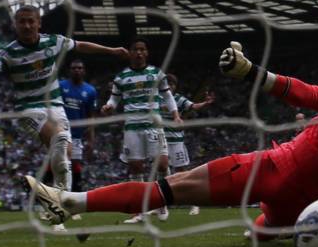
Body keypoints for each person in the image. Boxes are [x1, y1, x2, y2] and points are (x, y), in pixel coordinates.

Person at [22, 41, 318, 245]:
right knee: (261, 230)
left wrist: (250, 72)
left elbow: (303, 92)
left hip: (271, 170)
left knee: (172, 187)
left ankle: (71, 200)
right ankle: (269, 231)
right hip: (303, 208)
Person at [0, 5, 127, 231]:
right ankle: (62, 207)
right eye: (22, 21)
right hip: (29, 109)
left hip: (55, 105)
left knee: (64, 157)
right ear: (15, 25)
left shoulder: (53, 42)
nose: (26, 25)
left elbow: (81, 46)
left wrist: (111, 50)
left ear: (38, 23)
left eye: (30, 21)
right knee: (59, 141)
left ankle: (58, 206)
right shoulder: (7, 52)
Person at [102, 37, 182, 223]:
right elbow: (114, 100)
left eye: (142, 49)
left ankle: (162, 204)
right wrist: (108, 107)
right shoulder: (121, 77)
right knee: (136, 168)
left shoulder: (156, 73)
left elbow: (168, 96)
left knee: (161, 164)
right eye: (135, 49)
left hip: (154, 124)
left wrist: (176, 115)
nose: (139, 52)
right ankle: (139, 211)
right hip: (132, 127)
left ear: (146, 53)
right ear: (130, 53)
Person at [161, 74, 214, 216]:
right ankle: (161, 205)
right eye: (167, 84)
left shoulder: (178, 99)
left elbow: (193, 106)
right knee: (160, 172)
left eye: (172, 84)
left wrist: (205, 103)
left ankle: (194, 203)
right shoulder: (157, 98)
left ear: (175, 86)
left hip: (176, 142)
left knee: (182, 173)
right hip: (161, 142)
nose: (169, 87)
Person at [59, 59, 98, 193]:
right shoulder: (60, 86)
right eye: (74, 68)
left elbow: (91, 117)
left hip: (76, 136)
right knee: (58, 165)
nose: (77, 70)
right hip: (59, 132)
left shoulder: (90, 91)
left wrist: (91, 140)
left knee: (74, 165)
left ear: (84, 71)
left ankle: (74, 197)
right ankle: (51, 197)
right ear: (69, 70)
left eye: (80, 68)